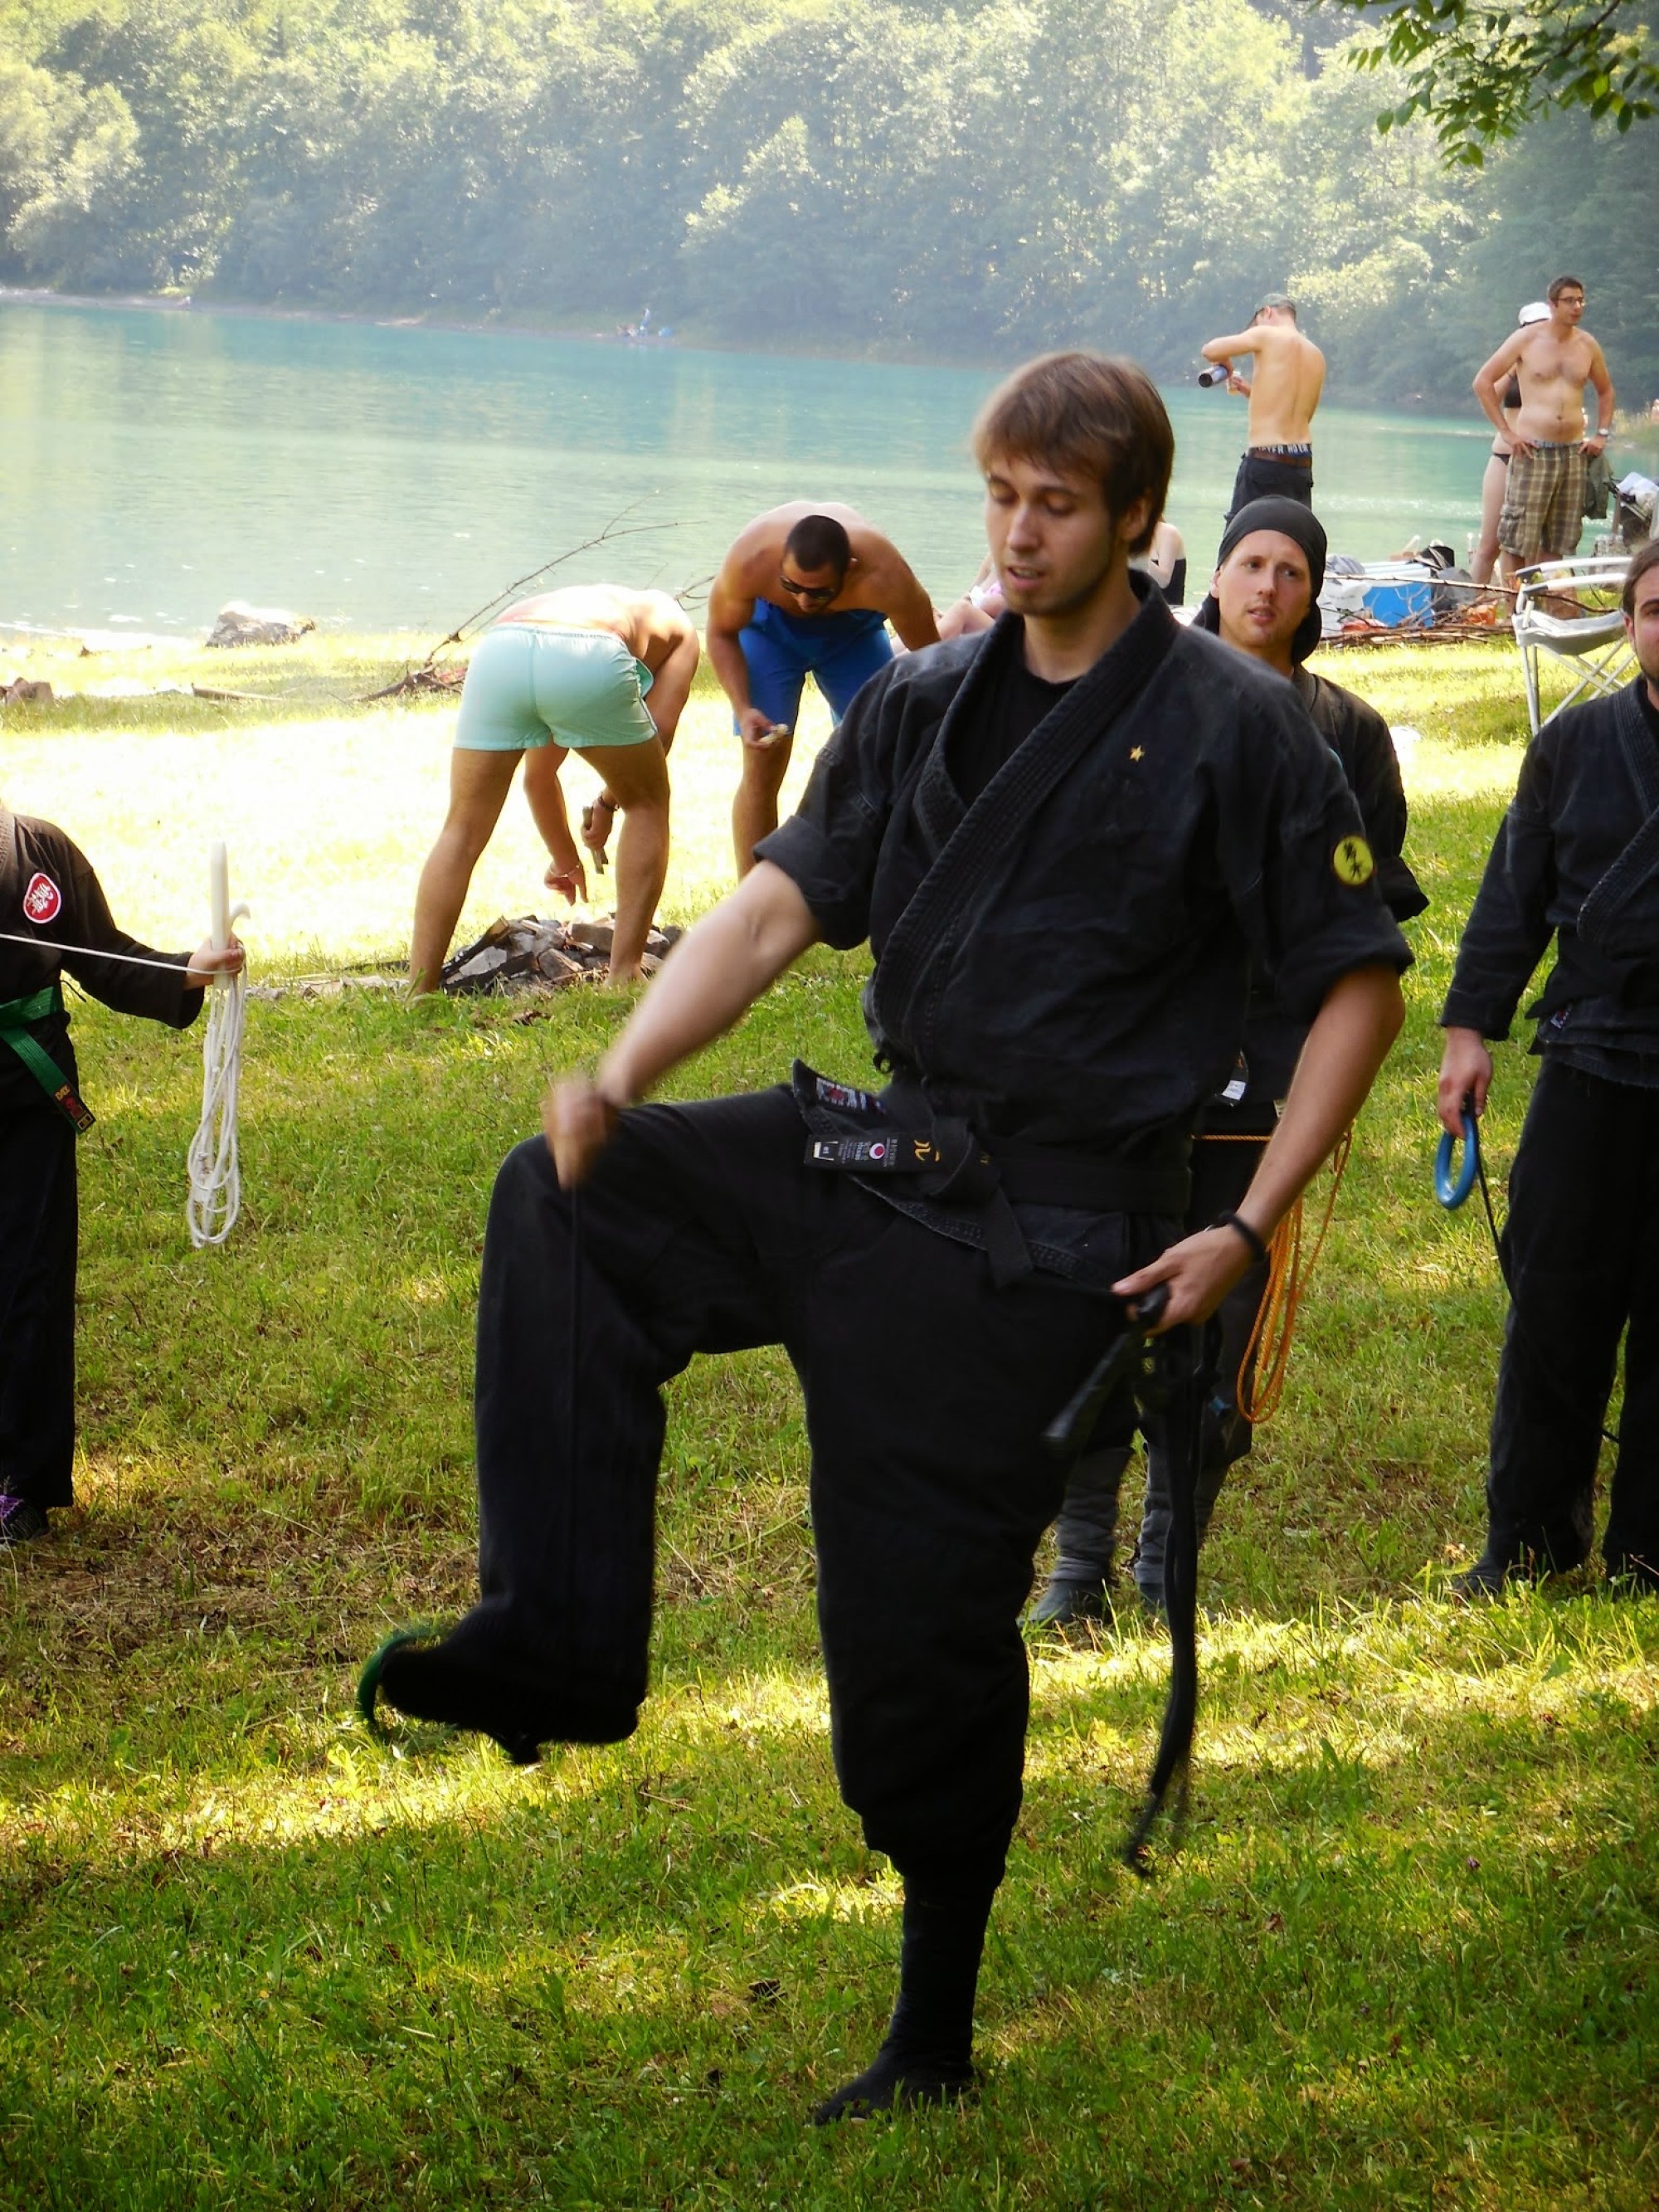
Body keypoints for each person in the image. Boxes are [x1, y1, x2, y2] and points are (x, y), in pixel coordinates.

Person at [358, 353, 1409, 2123]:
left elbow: (1358, 987)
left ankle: (931, 2035)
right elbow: (775, 908)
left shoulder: (1239, 728)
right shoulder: (919, 699)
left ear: (1137, 519)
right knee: (570, 1197)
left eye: (1056, 505)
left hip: (1053, 1226)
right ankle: (554, 1642)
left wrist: (1244, 1222)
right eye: (1000, 496)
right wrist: (622, 1067)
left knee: (913, 1625)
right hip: (888, 1147)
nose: (1019, 532)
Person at [1030, 497, 1427, 1625]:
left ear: (1311, 595)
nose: (1267, 586)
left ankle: (1169, 1558)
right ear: (1216, 575)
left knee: (1223, 1318)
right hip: (1130, 1059)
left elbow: (1361, 923)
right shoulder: (1140, 695)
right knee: (1102, 1292)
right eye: (1250, 562)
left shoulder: (1348, 730)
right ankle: (1076, 1569)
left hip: (1267, 1058)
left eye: (1291, 570)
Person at [1438, 536, 1659, 1596]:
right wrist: (1465, 1031)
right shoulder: (1572, 743)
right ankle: (1526, 1541)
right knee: (1552, 1305)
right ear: (1630, 622)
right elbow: (1509, 896)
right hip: (1588, 1058)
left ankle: (1649, 1554)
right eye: (1654, 609)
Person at [0, 801, 245, 1546]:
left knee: (31, 1284)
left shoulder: (36, 849)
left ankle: (21, 1483)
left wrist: (188, 970)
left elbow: (105, 959)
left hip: (28, 1098)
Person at [407, 586, 699, 992]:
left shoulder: (597, 603)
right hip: (589, 653)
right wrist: (610, 803)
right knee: (648, 805)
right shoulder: (681, 632)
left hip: (501, 650)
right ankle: (623, 974)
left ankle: (417, 991)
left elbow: (538, 777)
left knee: (462, 828)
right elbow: (659, 734)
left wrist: (565, 859)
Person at [704, 504, 939, 875]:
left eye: (818, 592)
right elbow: (720, 632)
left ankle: (879, 882)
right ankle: (752, 897)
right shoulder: (752, 558)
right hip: (769, 634)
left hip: (853, 634)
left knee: (886, 754)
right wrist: (744, 707)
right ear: (780, 564)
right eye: (792, 586)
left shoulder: (885, 575)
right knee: (763, 764)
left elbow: (933, 659)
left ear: (850, 569)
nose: (803, 601)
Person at [1473, 275, 1615, 585]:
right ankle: (1513, 606)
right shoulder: (1525, 341)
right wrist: (1507, 432)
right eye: (1569, 301)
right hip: (1531, 450)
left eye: (1581, 300)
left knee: (1558, 540)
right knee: (1515, 539)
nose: (1577, 307)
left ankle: (1548, 604)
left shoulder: (1587, 345)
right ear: (1553, 305)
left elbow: (1605, 391)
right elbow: (1483, 383)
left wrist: (1602, 434)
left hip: (1571, 452)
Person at [1200, 295, 1326, 521]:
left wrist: (1226, 364)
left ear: (1267, 312)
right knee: (1294, 536)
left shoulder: (1267, 334)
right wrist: (1250, 391)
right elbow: (1301, 414)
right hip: (1301, 464)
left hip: (1265, 461)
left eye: (1257, 322)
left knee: (1239, 536)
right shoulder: (1315, 354)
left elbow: (1210, 350)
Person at [1472, 303, 1552, 590]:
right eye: (1531, 327)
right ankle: (1466, 606)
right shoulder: (1511, 360)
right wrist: (1513, 370)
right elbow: (1488, 395)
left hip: (1539, 461)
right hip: (1503, 456)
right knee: (1488, 545)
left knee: (1530, 547)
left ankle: (1522, 604)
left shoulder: (1559, 362)